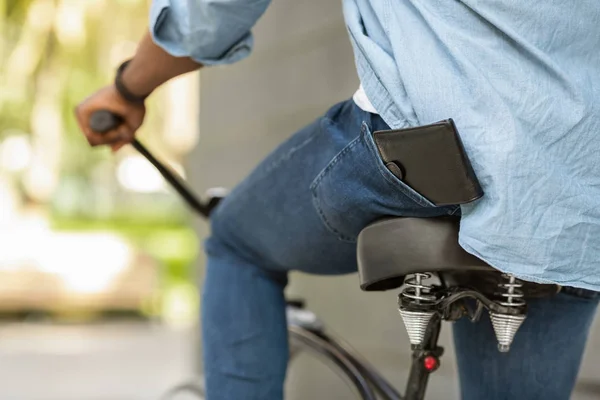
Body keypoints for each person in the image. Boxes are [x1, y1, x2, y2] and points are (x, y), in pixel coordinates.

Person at [74, 1, 600, 399]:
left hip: (423, 141)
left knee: (236, 244)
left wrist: (128, 87)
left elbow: (211, 13)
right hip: (575, 182)